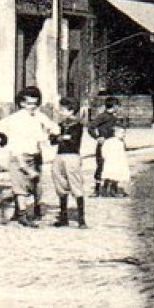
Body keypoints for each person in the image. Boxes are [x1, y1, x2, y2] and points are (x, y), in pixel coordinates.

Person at [0, 86, 58, 226]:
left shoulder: (38, 116)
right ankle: (22, 215)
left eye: (35, 104)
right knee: (20, 186)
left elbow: (54, 127)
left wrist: (51, 132)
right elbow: (12, 141)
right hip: (19, 155)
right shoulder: (15, 119)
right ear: (21, 103)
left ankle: (29, 209)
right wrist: (22, 163)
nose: (32, 107)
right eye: (29, 103)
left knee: (35, 185)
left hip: (35, 154)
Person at [50, 97, 89, 228]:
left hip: (72, 156)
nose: (60, 111)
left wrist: (60, 137)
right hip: (59, 155)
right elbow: (52, 140)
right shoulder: (60, 125)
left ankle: (81, 219)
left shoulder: (77, 125)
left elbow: (73, 140)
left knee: (76, 185)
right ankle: (63, 217)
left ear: (71, 110)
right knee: (60, 186)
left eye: (63, 109)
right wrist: (59, 137)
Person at [91, 97, 122, 195]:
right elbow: (91, 127)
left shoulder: (114, 117)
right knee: (101, 165)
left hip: (113, 144)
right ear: (115, 106)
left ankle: (111, 189)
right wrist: (97, 137)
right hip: (104, 144)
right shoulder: (103, 116)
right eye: (118, 106)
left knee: (113, 165)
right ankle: (97, 190)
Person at [98, 116, 130, 197]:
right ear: (115, 133)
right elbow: (104, 151)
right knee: (109, 176)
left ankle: (113, 190)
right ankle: (105, 191)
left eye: (124, 133)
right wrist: (106, 157)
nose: (124, 135)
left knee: (116, 176)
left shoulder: (121, 142)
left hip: (118, 162)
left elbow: (122, 152)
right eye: (122, 133)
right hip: (110, 161)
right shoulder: (109, 141)